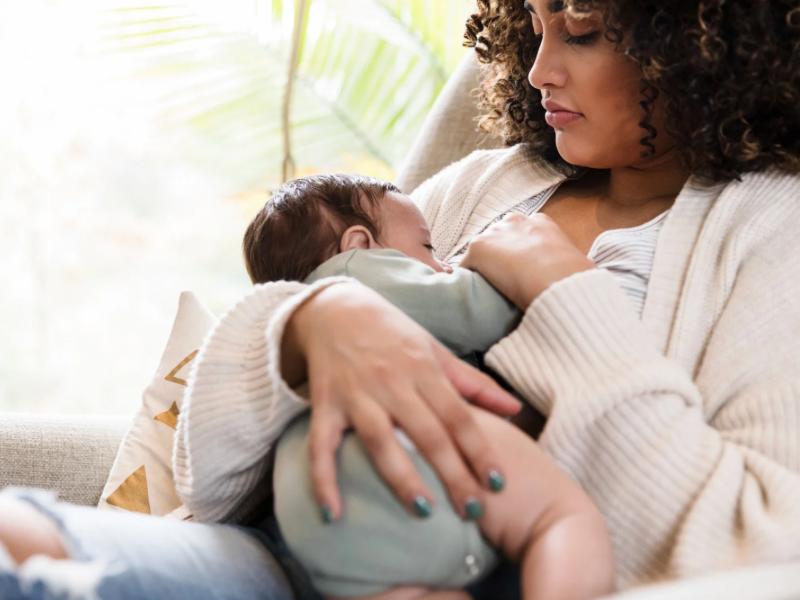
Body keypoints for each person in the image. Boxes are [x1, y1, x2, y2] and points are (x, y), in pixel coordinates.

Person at [1, 0, 799, 598]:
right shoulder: (484, 185)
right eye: (536, 25)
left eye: (581, 31)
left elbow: (754, 549)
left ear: (701, 46)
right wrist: (312, 322)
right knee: (17, 540)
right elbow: (210, 480)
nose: (538, 70)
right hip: (287, 554)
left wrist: (565, 297)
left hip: (463, 578)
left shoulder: (773, 231)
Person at [241, 171, 614, 599]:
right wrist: (515, 261)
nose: (444, 265)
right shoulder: (356, 275)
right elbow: (479, 310)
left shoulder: (286, 323)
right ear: (359, 244)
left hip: (316, 508)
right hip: (406, 450)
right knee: (560, 517)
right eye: (428, 248)